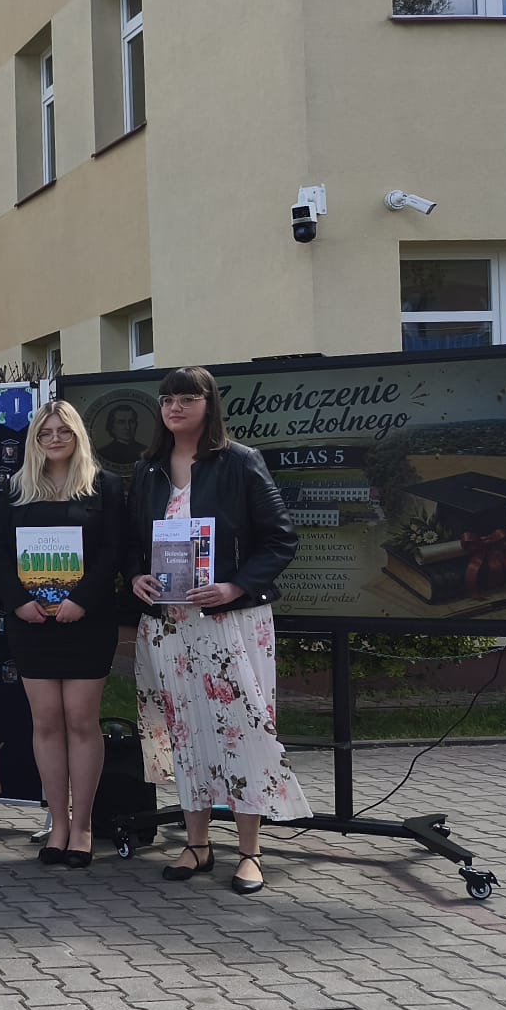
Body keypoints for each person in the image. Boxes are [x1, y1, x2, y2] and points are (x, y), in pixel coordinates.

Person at [128, 366, 309, 895]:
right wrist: (135, 575)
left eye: (187, 398)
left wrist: (235, 587)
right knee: (185, 731)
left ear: (209, 404)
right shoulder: (148, 469)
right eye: (167, 399)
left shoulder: (240, 461)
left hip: (231, 621)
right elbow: (133, 543)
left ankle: (250, 852)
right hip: (169, 626)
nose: (175, 407)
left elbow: (281, 540)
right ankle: (197, 844)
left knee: (241, 730)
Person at [0, 401, 124, 868]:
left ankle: (83, 826)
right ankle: (59, 824)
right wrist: (18, 602)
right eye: (45, 432)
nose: (54, 439)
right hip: (31, 622)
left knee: (81, 721)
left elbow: (113, 550)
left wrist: (81, 600)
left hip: (87, 620)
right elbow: (0, 553)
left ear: (77, 435)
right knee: (46, 722)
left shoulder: (105, 486)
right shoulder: (17, 489)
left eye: (63, 431)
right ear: (34, 440)